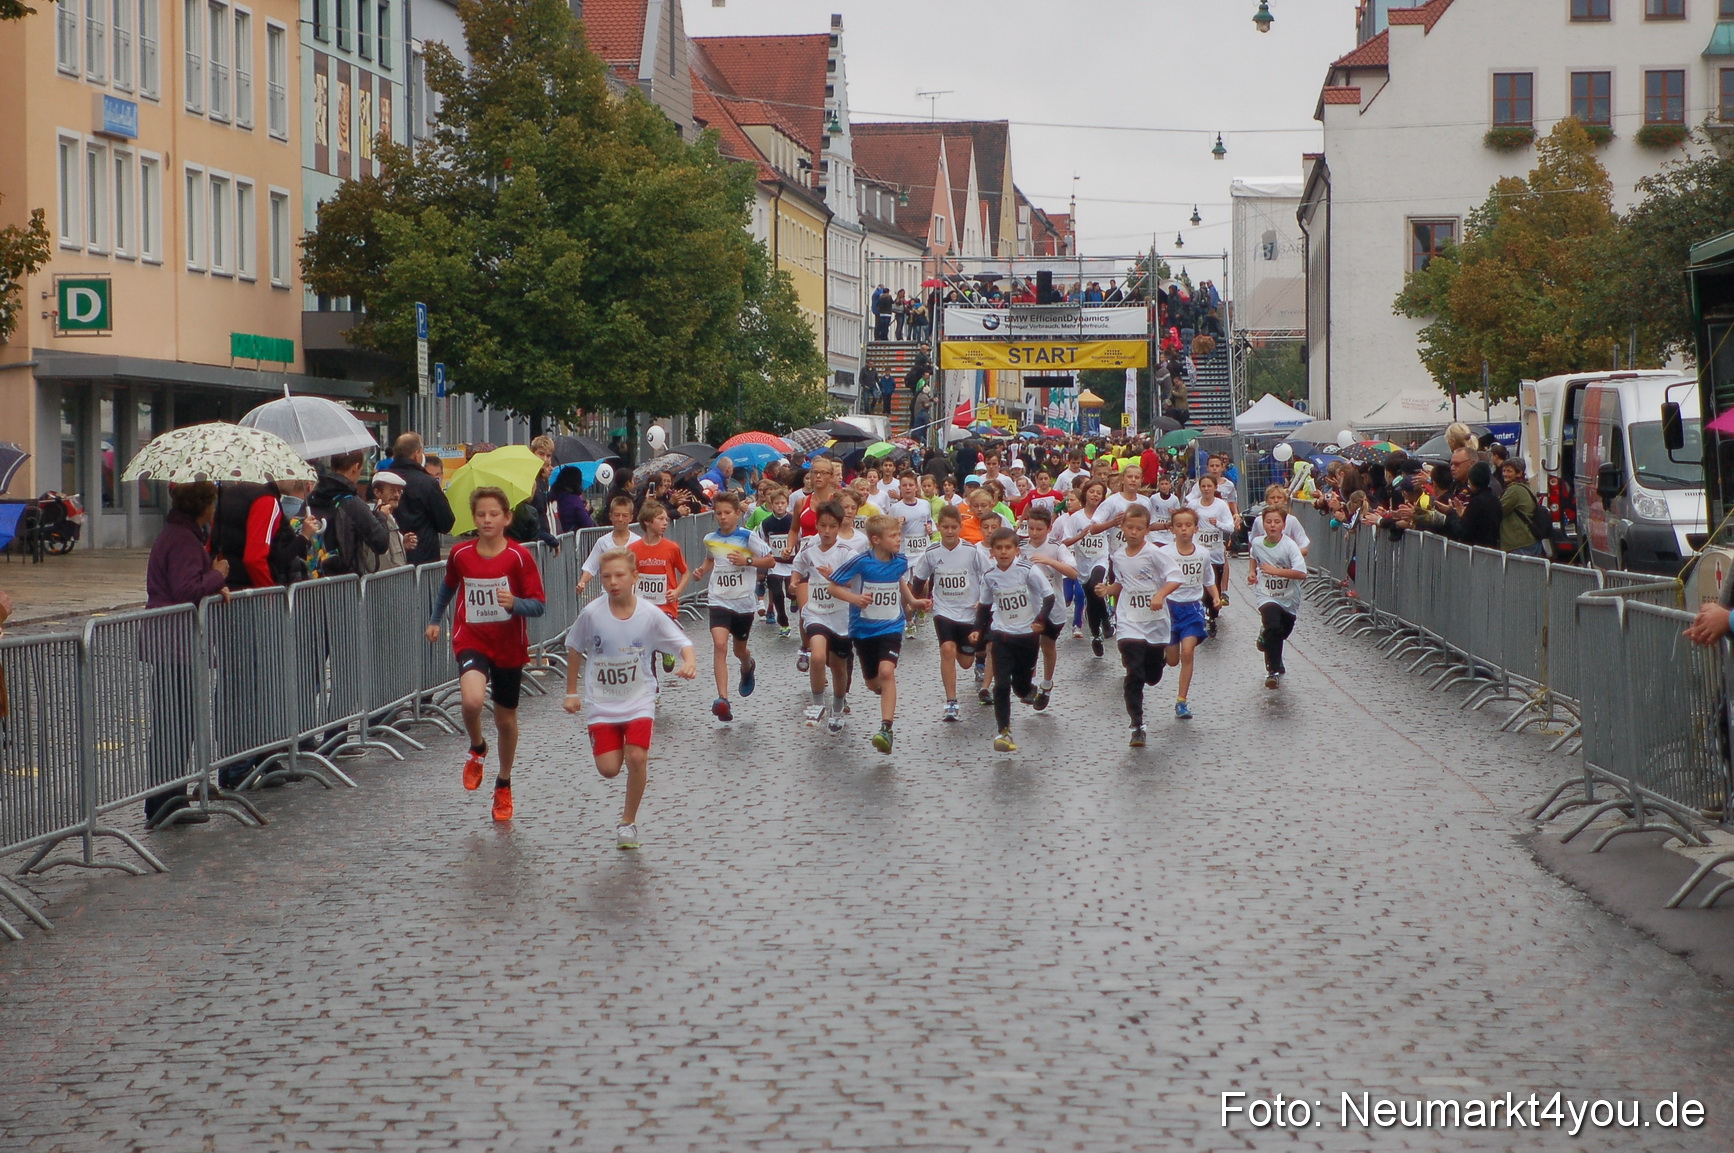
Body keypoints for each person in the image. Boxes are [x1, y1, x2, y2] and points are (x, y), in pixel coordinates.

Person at [424, 486, 546, 822]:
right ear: (473, 519)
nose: (487, 519)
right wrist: (436, 619)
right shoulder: (461, 554)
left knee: (506, 720)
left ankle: (503, 782)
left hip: (508, 645)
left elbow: (538, 605)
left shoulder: (519, 557)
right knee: (472, 701)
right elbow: (448, 584)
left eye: (494, 514)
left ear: (507, 518)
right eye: (481, 514)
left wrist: (515, 603)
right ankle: (477, 746)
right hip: (472, 638)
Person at [563, 548, 697, 850]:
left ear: (635, 577)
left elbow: (683, 642)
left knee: (636, 757)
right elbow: (573, 648)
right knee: (609, 769)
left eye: (620, 575)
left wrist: (689, 662)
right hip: (603, 704)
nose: (613, 582)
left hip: (639, 700)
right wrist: (572, 692)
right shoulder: (592, 614)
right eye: (607, 576)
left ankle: (628, 822)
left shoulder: (649, 614)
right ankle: (619, 741)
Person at [143, 481, 230, 824]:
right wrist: (216, 575)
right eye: (213, 502)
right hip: (174, 642)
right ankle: (166, 800)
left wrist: (211, 576)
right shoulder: (181, 538)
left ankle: (170, 797)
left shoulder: (182, 534)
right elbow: (186, 589)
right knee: (174, 723)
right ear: (203, 506)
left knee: (178, 721)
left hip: (176, 641)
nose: (215, 509)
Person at [826, 515, 926, 753]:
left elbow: (898, 580)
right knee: (873, 683)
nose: (899, 539)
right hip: (863, 629)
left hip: (891, 626)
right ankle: (884, 693)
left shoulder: (901, 560)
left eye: (899, 534)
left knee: (887, 671)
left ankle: (886, 728)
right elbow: (833, 586)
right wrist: (855, 598)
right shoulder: (861, 562)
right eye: (893, 536)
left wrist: (912, 601)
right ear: (876, 540)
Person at [1098, 505, 1183, 747]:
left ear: (1147, 530)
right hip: (1129, 620)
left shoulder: (1154, 553)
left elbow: (1176, 577)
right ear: (1122, 527)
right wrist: (1107, 590)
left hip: (1155, 622)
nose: (1133, 532)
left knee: (1152, 676)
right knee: (1133, 672)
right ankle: (1137, 725)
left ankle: (1159, 661)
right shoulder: (1118, 556)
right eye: (1129, 527)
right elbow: (1121, 584)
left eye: (1139, 528)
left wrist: (1160, 595)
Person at [693, 492, 775, 723]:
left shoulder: (748, 537)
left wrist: (747, 561)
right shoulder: (710, 538)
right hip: (718, 599)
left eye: (727, 513)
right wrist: (702, 569)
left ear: (737, 514)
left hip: (743, 602)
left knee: (739, 650)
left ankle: (747, 665)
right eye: (718, 513)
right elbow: (712, 559)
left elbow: (770, 561)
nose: (722, 517)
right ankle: (723, 700)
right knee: (719, 645)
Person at [974, 527, 1053, 753]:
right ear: (992, 552)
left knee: (1020, 685)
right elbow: (985, 605)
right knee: (1001, 684)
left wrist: (1040, 620)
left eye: (1008, 547)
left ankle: (1030, 689)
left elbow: (1048, 597)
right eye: (998, 548)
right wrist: (977, 629)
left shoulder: (1028, 571)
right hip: (1002, 634)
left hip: (1027, 636)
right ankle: (1004, 731)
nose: (1003, 552)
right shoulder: (989, 576)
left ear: (1017, 550)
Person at [910, 503, 987, 722]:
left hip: (968, 611)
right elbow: (920, 578)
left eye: (954, 527)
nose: (950, 531)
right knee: (947, 649)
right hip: (943, 610)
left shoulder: (972, 551)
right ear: (938, 527)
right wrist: (915, 601)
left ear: (961, 527)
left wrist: (983, 600)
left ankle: (980, 659)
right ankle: (951, 701)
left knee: (965, 662)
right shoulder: (931, 553)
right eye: (945, 527)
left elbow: (988, 577)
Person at [791, 501, 856, 730]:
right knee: (817, 657)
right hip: (816, 612)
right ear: (816, 525)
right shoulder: (808, 547)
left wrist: (835, 577)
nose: (827, 531)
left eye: (832, 526)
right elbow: (798, 566)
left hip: (841, 617)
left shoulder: (847, 553)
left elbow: (856, 581)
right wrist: (793, 581)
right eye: (823, 526)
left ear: (839, 527)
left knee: (839, 667)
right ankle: (817, 703)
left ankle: (837, 707)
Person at [1019, 508, 1079, 710]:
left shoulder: (1056, 547)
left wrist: (1048, 561)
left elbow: (1073, 573)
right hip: (1028, 606)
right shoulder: (1020, 547)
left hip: (1054, 607)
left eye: (1039, 529)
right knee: (1030, 646)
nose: (1034, 533)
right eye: (1030, 528)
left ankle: (1047, 683)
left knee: (1047, 645)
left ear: (1049, 528)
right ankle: (1033, 684)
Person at [1159, 507, 1215, 719]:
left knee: (1188, 652)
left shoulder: (1203, 553)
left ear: (1195, 528)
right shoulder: (1164, 553)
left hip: (1192, 607)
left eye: (1188, 525)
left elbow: (1208, 578)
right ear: (1172, 529)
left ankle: (1181, 701)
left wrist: (1216, 596)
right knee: (1173, 660)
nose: (1184, 529)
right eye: (1179, 526)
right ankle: (1163, 654)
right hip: (1170, 608)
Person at [1248, 506, 1308, 690]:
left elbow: (1301, 573)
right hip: (1266, 594)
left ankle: (1266, 640)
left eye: (1276, 522)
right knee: (1273, 625)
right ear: (1262, 524)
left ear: (1283, 525)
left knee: (1281, 632)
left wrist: (1276, 571)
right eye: (1268, 522)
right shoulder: (1257, 543)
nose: (1272, 525)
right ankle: (1272, 671)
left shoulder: (1289, 546)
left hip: (1289, 597)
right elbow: (1253, 556)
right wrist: (1252, 572)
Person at [627, 500, 690, 674]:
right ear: (647, 521)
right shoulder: (633, 549)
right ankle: (652, 687)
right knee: (646, 650)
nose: (665, 523)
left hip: (666, 605)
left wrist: (677, 591)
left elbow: (685, 572)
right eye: (660, 519)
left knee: (656, 637)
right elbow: (628, 574)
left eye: (666, 520)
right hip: (643, 605)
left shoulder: (671, 548)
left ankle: (667, 649)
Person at [1061, 479, 1114, 654]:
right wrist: (1080, 536)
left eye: (1099, 492)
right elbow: (1066, 541)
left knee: (1095, 585)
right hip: (1083, 563)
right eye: (1092, 491)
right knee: (1091, 599)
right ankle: (1095, 634)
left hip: (1100, 560)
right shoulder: (1075, 518)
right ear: (1085, 494)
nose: (1095, 495)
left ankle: (1106, 621)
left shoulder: (1107, 515)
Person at [388, 433, 455, 566]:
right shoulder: (427, 483)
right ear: (417, 453)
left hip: (390, 555)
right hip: (423, 556)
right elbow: (446, 523)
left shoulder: (382, 481)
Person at [1190, 474, 1237, 633]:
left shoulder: (1221, 506)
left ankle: (1213, 614)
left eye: (1209, 486)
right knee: (1201, 585)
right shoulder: (1193, 505)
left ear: (1215, 487)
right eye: (1203, 486)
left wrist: (1218, 523)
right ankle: (1203, 615)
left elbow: (1230, 527)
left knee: (1214, 585)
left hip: (1216, 552)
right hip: (1199, 552)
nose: (1206, 489)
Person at [576, 495, 642, 595]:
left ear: (631, 518)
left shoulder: (638, 542)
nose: (620, 519)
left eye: (624, 515)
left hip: (631, 596)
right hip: (608, 595)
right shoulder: (603, 542)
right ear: (610, 516)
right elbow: (590, 566)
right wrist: (582, 582)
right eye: (616, 515)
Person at [755, 486, 797, 638]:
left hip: (792, 563)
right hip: (775, 564)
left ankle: (794, 599)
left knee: (791, 592)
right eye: (777, 503)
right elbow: (759, 542)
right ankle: (783, 622)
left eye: (783, 503)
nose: (780, 506)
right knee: (777, 593)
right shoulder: (765, 523)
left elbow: (800, 540)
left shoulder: (793, 521)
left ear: (787, 504)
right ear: (771, 504)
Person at [359, 471, 414, 572]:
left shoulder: (389, 517)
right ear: (377, 492)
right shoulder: (375, 520)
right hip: (387, 584)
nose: (397, 495)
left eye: (399, 491)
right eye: (392, 490)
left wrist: (402, 543)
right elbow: (379, 562)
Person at [1499, 458, 1545, 556]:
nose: (1505, 474)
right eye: (1504, 470)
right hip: (1529, 541)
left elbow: (1499, 511)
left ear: (1519, 473)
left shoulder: (1514, 490)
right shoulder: (1526, 486)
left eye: (1509, 471)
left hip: (1520, 543)